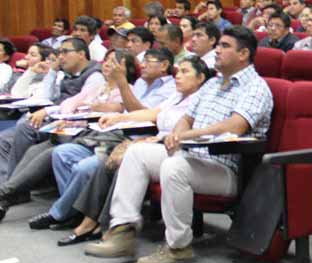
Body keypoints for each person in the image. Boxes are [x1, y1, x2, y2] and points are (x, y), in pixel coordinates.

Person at [84, 27, 273, 263]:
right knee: (136, 153)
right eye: (219, 45)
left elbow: (235, 126)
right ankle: (123, 231)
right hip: (192, 156)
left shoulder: (256, 87)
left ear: (243, 54)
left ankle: (178, 247)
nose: (217, 50)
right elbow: (188, 117)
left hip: (224, 168)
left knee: (175, 167)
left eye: (225, 46)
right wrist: (177, 133)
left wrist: (185, 135)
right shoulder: (213, 84)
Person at [47, 55, 214, 245]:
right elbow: (153, 113)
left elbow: (185, 130)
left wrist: (151, 140)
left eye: (185, 72)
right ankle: (91, 222)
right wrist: (120, 118)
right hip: (156, 142)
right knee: (105, 163)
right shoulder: (176, 96)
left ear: (200, 78)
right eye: (179, 71)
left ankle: (102, 225)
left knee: (125, 161)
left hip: (175, 147)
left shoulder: (200, 100)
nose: (178, 76)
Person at [0, 50, 137, 222]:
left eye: (114, 62)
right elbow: (68, 104)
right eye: (107, 60)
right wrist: (74, 112)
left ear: (127, 69)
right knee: (36, 149)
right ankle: (5, 196)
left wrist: (81, 109)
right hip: (75, 132)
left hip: (97, 138)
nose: (108, 64)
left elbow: (113, 108)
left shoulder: (127, 90)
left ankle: (5, 194)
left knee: (51, 151)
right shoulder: (98, 87)